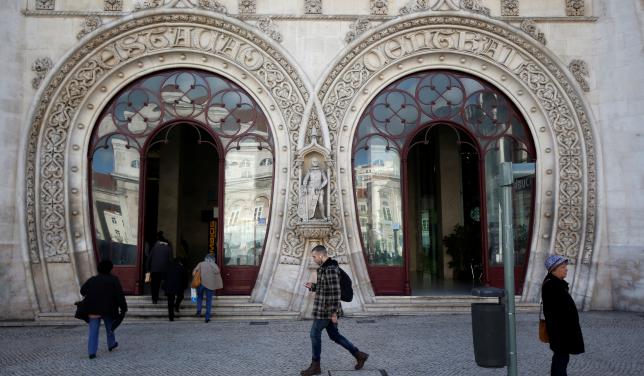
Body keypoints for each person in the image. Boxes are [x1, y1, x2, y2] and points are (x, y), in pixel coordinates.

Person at [301, 245, 368, 376]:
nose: (314, 259)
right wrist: (313, 286)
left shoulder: (330, 269)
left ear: (321, 255)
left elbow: (335, 292)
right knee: (335, 336)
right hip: (325, 308)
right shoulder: (326, 267)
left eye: (314, 257)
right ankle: (359, 355)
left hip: (326, 310)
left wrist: (333, 314)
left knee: (314, 334)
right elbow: (326, 287)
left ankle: (316, 365)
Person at [542, 255, 585, 376]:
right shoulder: (553, 285)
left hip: (562, 331)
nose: (566, 269)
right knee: (561, 359)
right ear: (553, 269)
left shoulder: (556, 284)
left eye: (565, 266)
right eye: (563, 267)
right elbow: (558, 312)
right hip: (560, 331)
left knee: (561, 358)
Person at [80, 260, 128, 359]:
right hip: (109, 309)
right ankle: (111, 344)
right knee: (110, 328)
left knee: (93, 331)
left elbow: (82, 291)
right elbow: (119, 295)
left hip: (93, 309)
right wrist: (123, 307)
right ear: (110, 268)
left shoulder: (92, 280)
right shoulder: (114, 279)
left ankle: (91, 352)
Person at [193, 254, 223, 323]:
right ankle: (207, 318)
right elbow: (217, 271)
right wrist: (212, 264)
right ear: (213, 259)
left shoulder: (201, 263)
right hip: (210, 285)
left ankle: (199, 310)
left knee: (199, 297)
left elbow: (194, 272)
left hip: (200, 284)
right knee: (209, 301)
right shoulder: (214, 265)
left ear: (205, 258)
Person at [147, 231, 172, 304]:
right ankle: (166, 294)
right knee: (165, 281)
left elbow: (149, 259)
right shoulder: (168, 248)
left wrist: (147, 269)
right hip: (165, 269)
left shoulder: (154, 248)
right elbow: (170, 260)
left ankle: (154, 299)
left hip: (154, 269)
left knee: (155, 284)